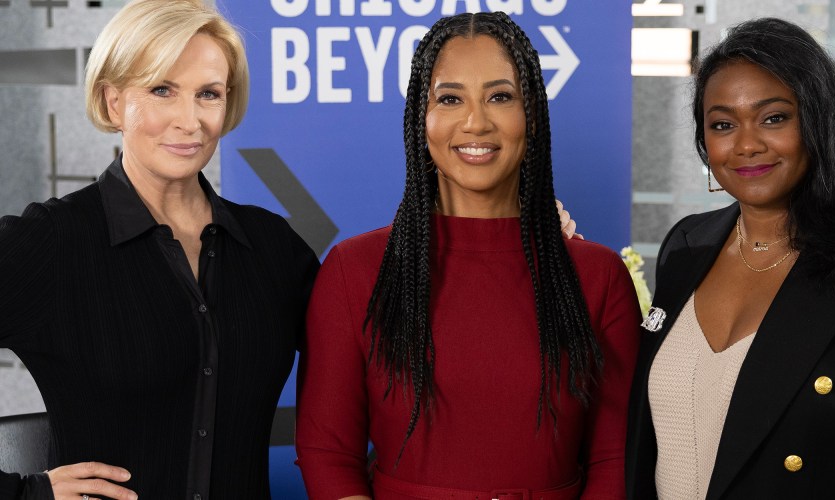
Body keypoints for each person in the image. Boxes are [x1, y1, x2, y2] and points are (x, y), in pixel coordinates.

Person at [296, 11, 640, 499]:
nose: (476, 121)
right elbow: (328, 453)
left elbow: (613, 459)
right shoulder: (354, 271)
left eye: (500, 97)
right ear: (423, 118)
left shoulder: (597, 276)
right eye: (450, 99)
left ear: (533, 116)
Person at [0, 0, 318, 498]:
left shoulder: (274, 248)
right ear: (113, 103)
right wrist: (24, 492)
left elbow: (373, 380)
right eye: (161, 90)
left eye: (208, 94)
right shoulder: (53, 242)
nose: (189, 121)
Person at [624, 17, 835, 499]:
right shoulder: (687, 245)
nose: (747, 144)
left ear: (818, 123)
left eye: (774, 117)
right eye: (722, 124)